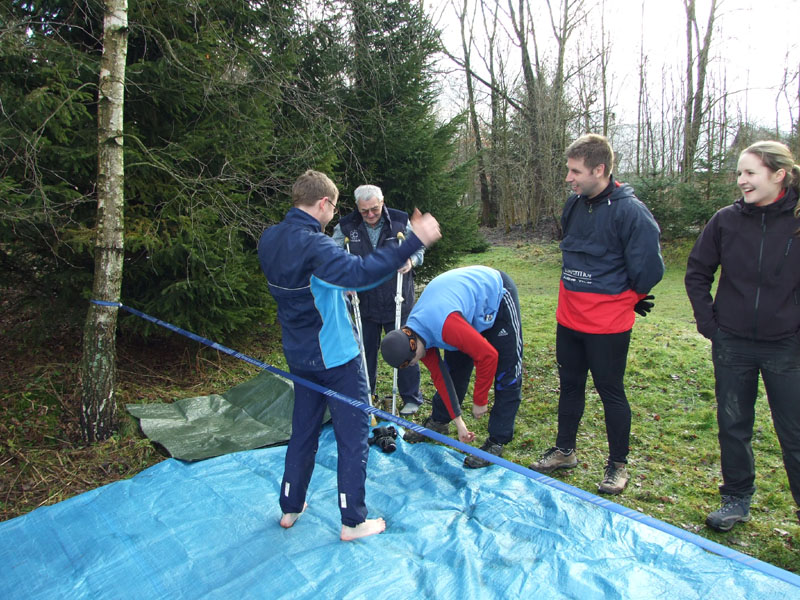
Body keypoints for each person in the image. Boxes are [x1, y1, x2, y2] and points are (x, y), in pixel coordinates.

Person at [257, 170, 441, 541]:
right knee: (354, 436)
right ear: (324, 203)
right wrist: (413, 242)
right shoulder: (316, 245)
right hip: (336, 357)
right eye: (334, 206)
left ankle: (290, 507)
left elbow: (312, 286)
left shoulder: (269, 238)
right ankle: (353, 521)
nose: (334, 213)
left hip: (298, 354)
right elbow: (361, 273)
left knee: (304, 431)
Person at [528, 134, 664, 495]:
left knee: (610, 391)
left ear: (599, 170)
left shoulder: (631, 212)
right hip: (568, 320)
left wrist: (630, 296)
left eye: (575, 171)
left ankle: (617, 465)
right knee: (570, 387)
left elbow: (650, 268)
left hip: (607, 327)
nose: (569, 178)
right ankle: (564, 450)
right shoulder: (573, 205)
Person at [685, 140, 800, 532]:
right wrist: (710, 326)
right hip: (732, 343)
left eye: (750, 173)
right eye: (739, 173)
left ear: (779, 174)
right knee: (733, 423)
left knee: (795, 430)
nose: (742, 181)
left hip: (787, 345)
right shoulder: (725, 221)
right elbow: (697, 272)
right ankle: (736, 498)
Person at [380, 265, 523, 469]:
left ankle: (497, 440)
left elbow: (488, 356)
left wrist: (480, 400)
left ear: (412, 346)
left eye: (411, 362)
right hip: (460, 311)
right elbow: (441, 378)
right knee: (455, 369)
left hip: (496, 296)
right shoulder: (414, 336)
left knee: (508, 372)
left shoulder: (445, 327)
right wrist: (459, 423)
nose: (415, 364)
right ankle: (440, 421)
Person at [332, 185, 426, 416]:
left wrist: (412, 261)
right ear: (357, 208)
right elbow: (333, 257)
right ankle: (367, 394)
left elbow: (419, 247)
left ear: (382, 201)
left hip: (398, 298)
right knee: (365, 352)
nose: (371, 215)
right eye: (365, 211)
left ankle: (411, 397)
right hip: (364, 302)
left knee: (406, 347)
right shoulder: (345, 227)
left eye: (374, 209)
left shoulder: (400, 221)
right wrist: (344, 281)